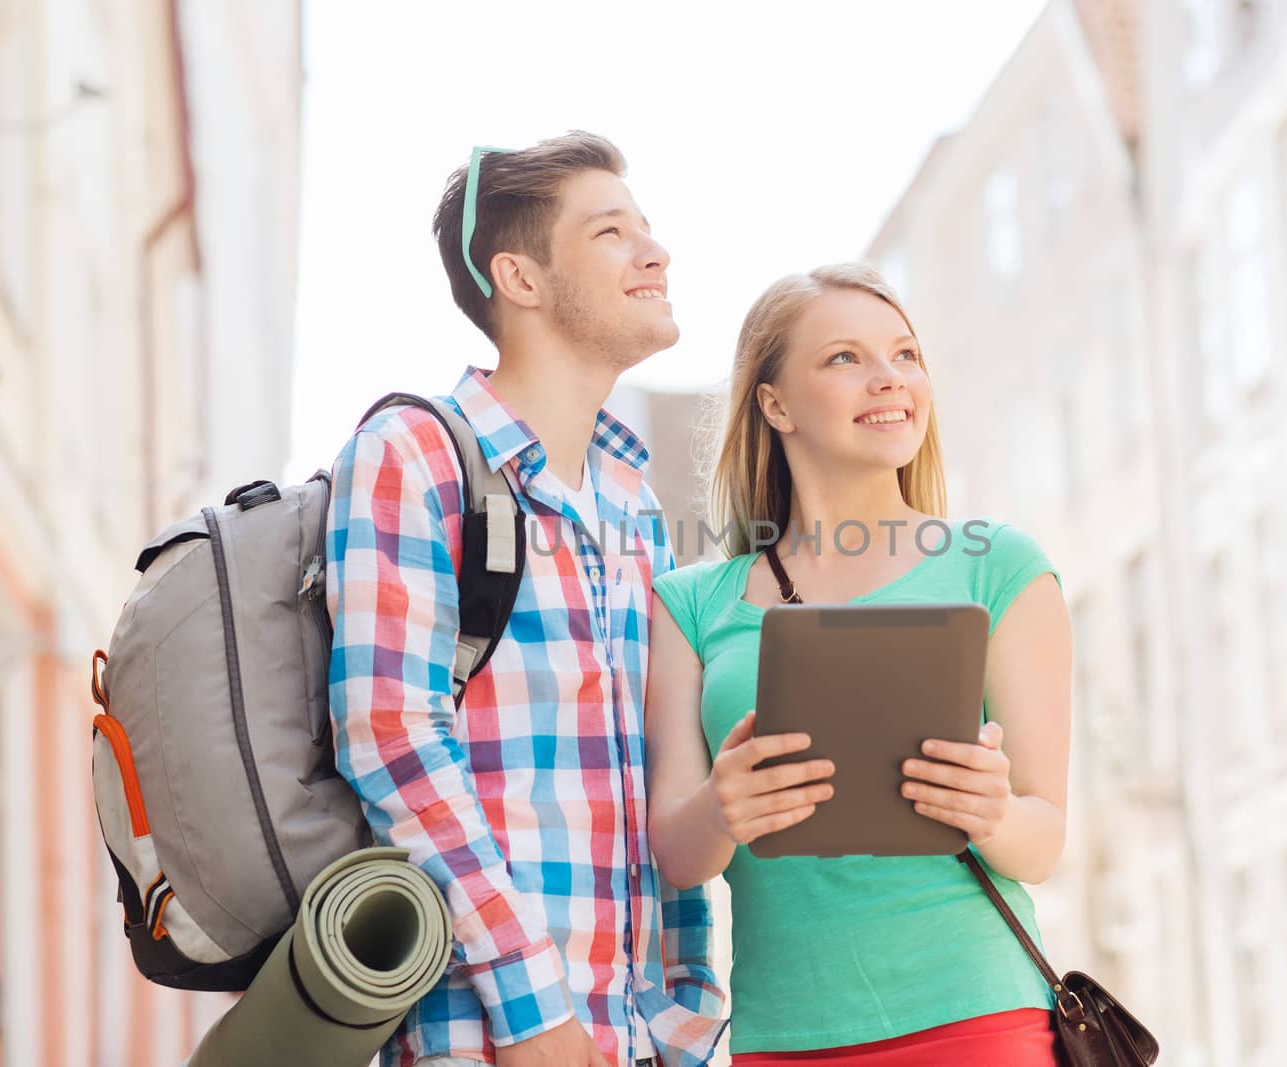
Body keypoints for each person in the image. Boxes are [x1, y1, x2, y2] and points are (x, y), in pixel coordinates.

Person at [325, 132, 725, 1067]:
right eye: (611, 233)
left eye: (648, 230)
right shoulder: (415, 452)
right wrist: (531, 1006)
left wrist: (692, 1006)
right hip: (494, 1036)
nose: (654, 252)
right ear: (520, 276)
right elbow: (391, 736)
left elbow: (663, 762)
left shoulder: (635, 500)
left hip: (642, 1037)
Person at [645, 264, 1072, 1065]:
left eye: (906, 355)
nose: (890, 380)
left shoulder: (1000, 567)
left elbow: (1042, 841)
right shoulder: (690, 601)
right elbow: (677, 851)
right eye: (845, 358)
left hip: (978, 1019)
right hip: (784, 1035)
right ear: (773, 404)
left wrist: (991, 812)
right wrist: (723, 806)